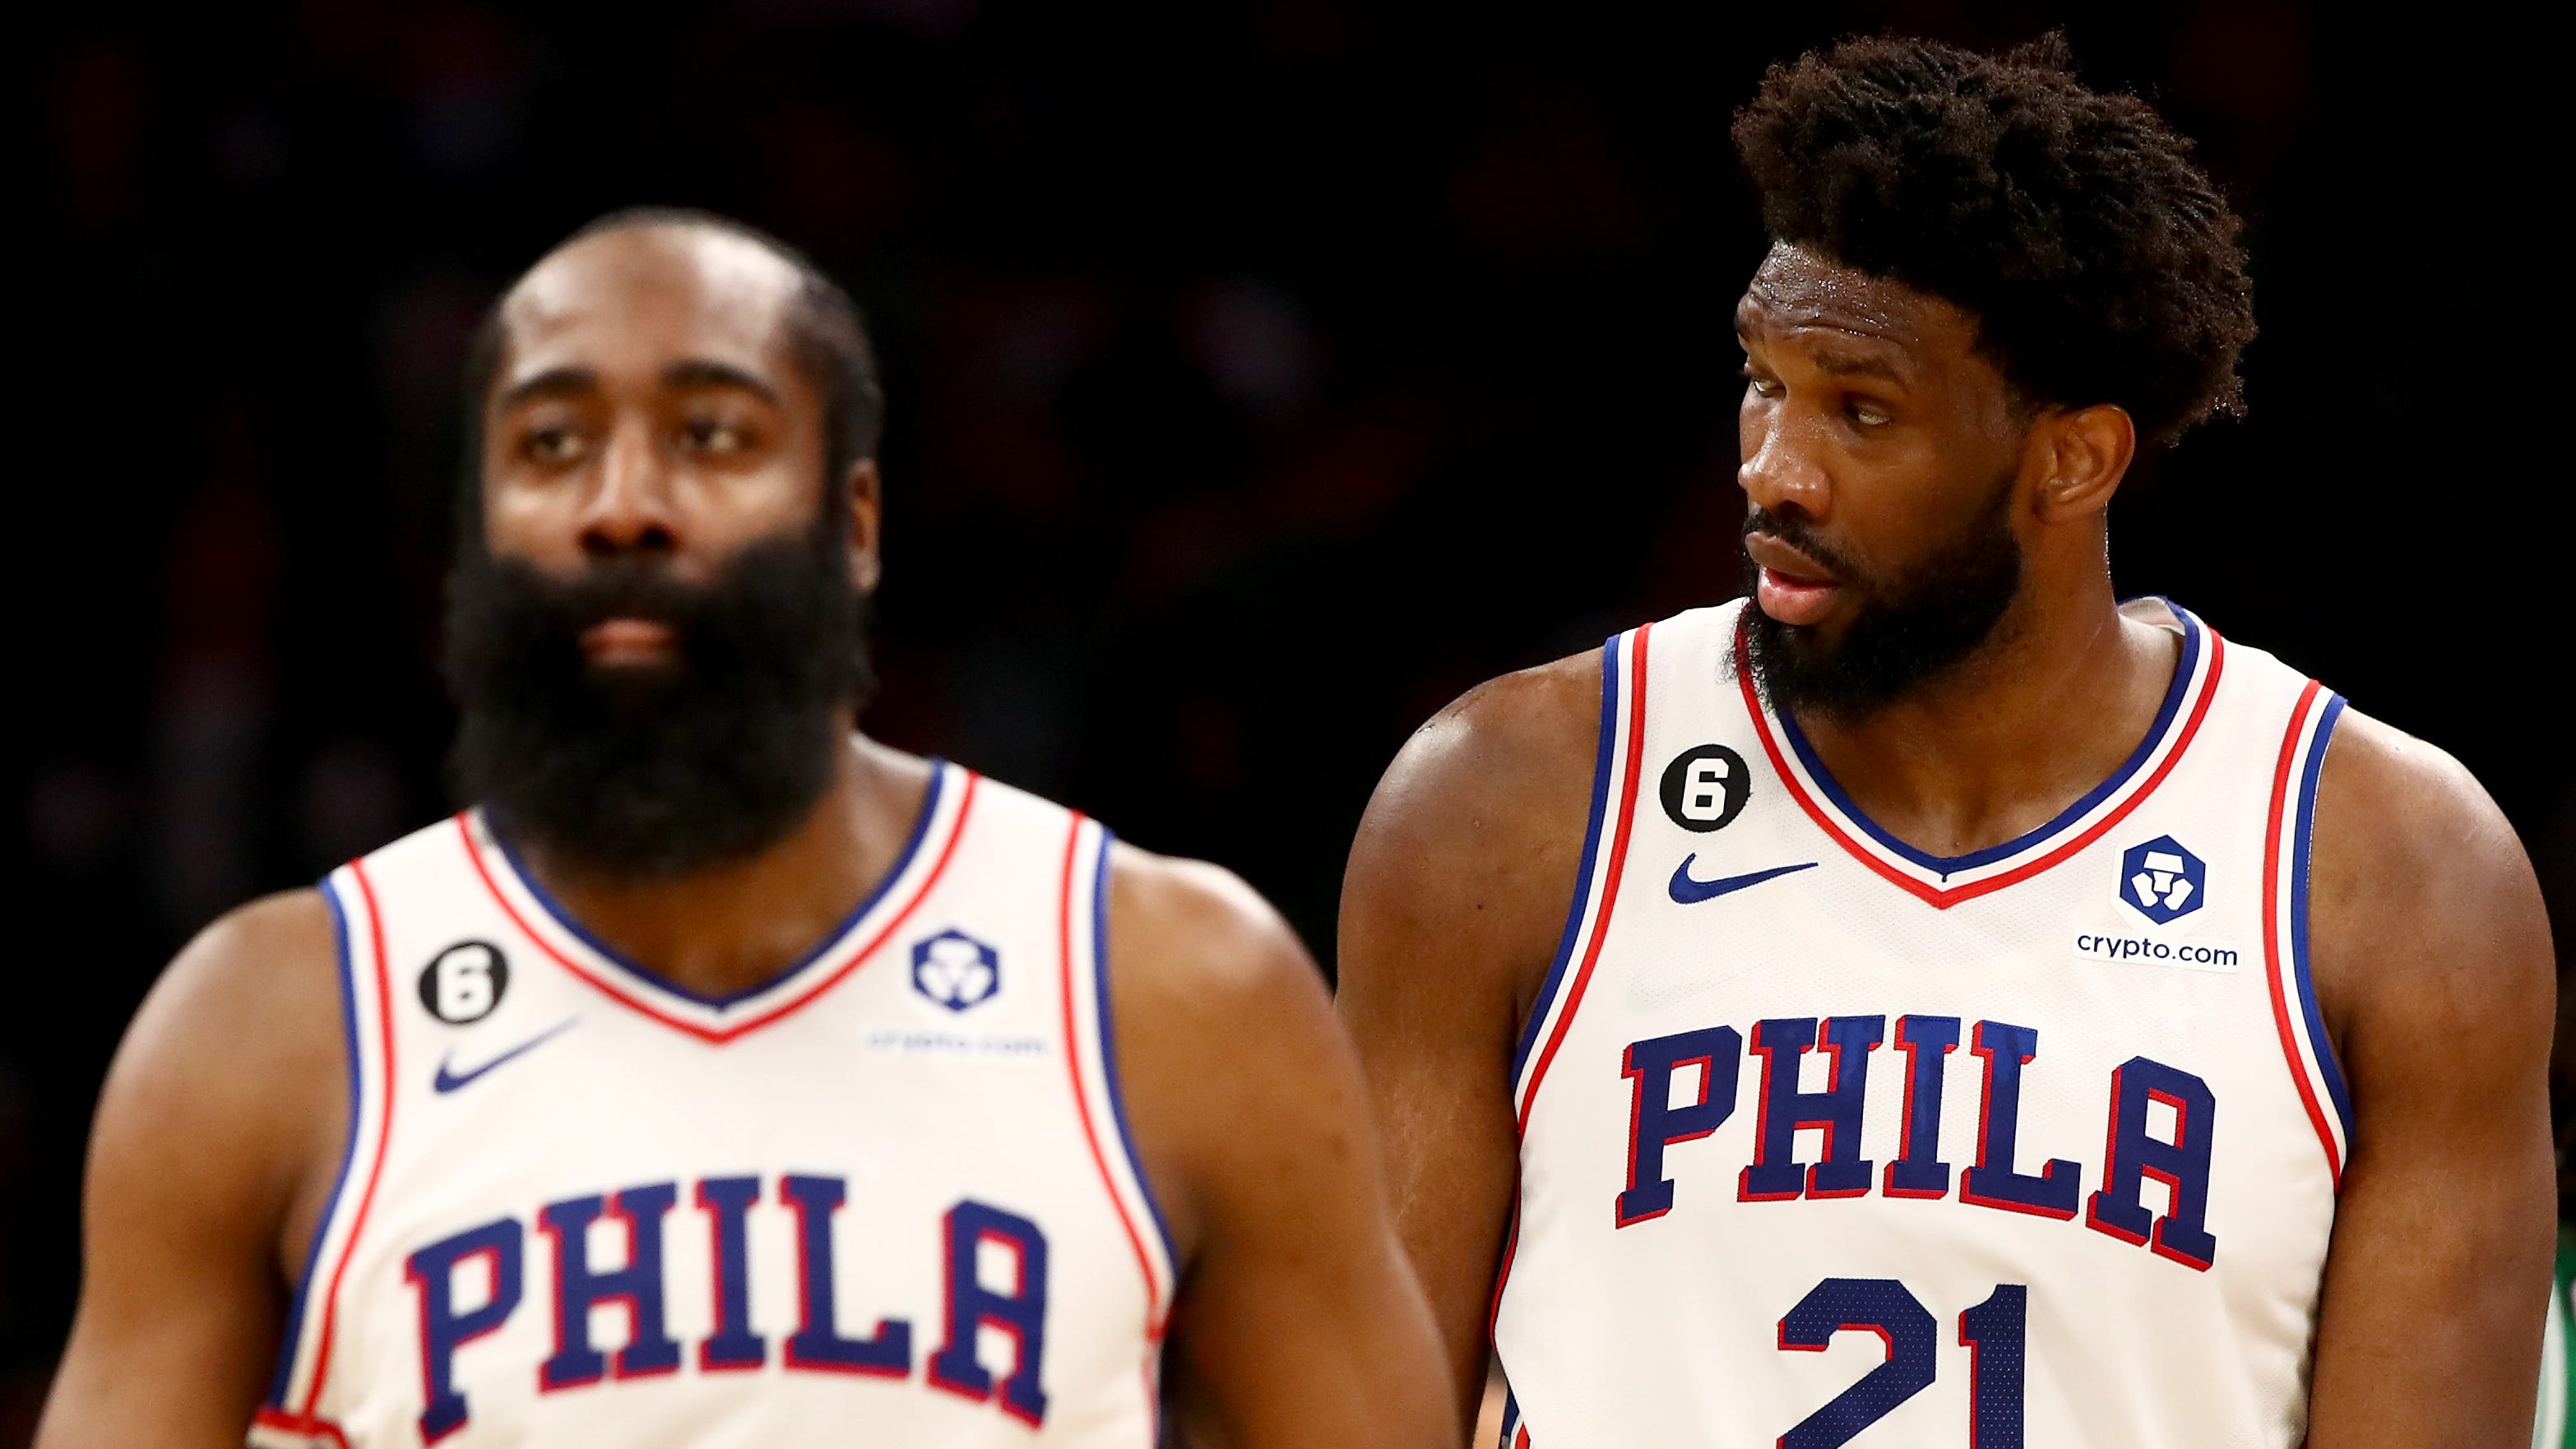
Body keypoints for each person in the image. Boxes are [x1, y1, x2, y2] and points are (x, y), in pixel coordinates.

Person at [38, 210, 1450, 1448]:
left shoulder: (1172, 983)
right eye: (551, 444)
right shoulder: (269, 1026)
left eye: (711, 433)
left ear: (853, 523)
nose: (625, 504)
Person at [1337, 35, 2554, 1448]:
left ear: (2074, 458)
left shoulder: (2391, 870)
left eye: (1861, 410)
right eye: (1762, 380)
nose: (1774, 468)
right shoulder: (1511, 801)